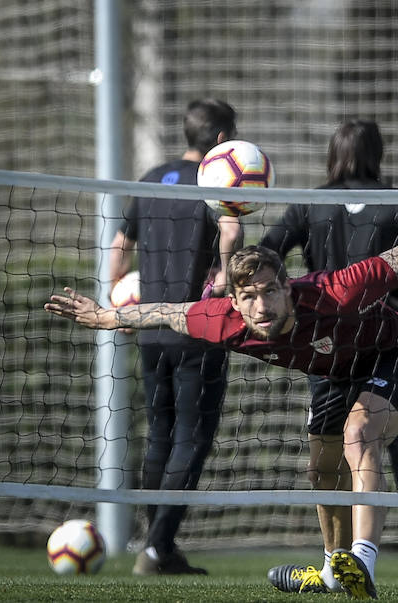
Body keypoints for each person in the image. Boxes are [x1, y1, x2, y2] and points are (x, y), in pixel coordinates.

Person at [46, 236, 398, 599]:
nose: (261, 307)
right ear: (235, 300)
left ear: (289, 288)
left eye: (270, 293)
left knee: (359, 434)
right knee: (321, 470)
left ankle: (364, 562)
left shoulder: (336, 291)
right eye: (248, 296)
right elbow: (169, 313)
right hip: (333, 372)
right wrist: (108, 317)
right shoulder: (222, 319)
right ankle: (334, 571)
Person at [259, 119, 398, 585]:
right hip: (383, 335)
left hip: (324, 343)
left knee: (331, 457)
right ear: (378, 154)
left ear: (333, 154)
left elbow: (267, 252)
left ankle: (347, 559)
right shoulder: (395, 201)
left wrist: (290, 296)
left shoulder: (312, 202)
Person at [108, 98, 243, 575]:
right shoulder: (215, 181)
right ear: (224, 140)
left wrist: (114, 299)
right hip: (196, 329)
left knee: (160, 436)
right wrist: (226, 276)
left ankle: (158, 547)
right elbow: (229, 232)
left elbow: (120, 245)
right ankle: (157, 546)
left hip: (148, 328)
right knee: (192, 436)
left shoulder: (149, 178)